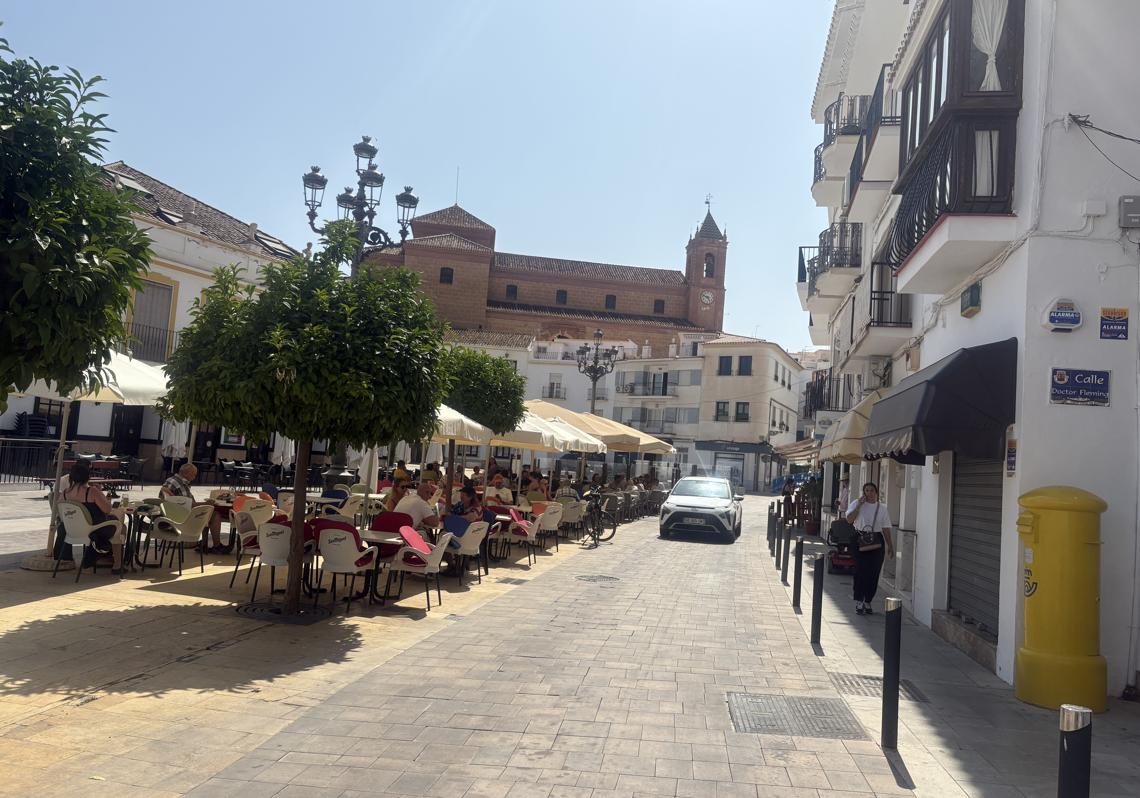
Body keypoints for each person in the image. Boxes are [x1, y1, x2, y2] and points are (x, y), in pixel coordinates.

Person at [60, 460, 126, 573]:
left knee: (114, 523)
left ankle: (98, 550)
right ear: (88, 477)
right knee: (120, 525)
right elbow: (107, 509)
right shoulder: (92, 491)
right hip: (94, 529)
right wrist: (99, 492)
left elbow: (61, 512)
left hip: (73, 530)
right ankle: (117, 565)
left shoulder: (65, 494)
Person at [845, 482, 895, 615]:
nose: (869, 493)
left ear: (876, 492)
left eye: (872, 490)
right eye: (866, 490)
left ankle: (868, 600)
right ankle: (859, 600)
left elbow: (886, 528)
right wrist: (859, 506)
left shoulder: (882, 508)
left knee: (874, 571)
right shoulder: (857, 504)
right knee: (861, 570)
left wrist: (890, 545)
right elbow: (849, 520)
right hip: (859, 538)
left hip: (876, 541)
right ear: (863, 492)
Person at [161, 463, 225, 552]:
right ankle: (216, 546)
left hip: (177, 512)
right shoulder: (178, 483)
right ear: (186, 473)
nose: (195, 477)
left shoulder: (172, 480)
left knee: (208, 512)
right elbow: (188, 505)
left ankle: (204, 545)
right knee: (214, 515)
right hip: (183, 516)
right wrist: (206, 503)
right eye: (193, 474)